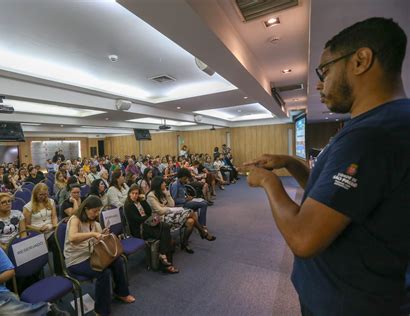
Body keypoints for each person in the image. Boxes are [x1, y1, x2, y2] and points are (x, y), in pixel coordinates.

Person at [244, 17, 409, 316]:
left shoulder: (370, 136)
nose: (320, 83)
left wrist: (269, 182)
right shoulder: (384, 124)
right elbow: (330, 199)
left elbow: (303, 238)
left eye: (326, 70)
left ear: (360, 61)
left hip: (347, 302)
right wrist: (291, 163)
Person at [64, 196, 135, 315]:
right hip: (76, 260)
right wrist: (93, 234)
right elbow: (72, 237)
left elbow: (97, 242)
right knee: (103, 273)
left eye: (98, 211)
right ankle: (101, 311)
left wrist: (102, 235)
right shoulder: (75, 219)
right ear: (86, 209)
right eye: (94, 211)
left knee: (117, 261)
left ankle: (121, 292)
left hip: (92, 255)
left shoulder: (95, 223)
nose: (97, 213)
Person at [146, 176, 214, 254]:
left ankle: (185, 243)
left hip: (170, 214)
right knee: (191, 212)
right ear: (158, 184)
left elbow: (172, 204)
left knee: (191, 221)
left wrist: (167, 194)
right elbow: (160, 211)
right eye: (163, 183)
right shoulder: (151, 195)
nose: (165, 184)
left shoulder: (162, 192)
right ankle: (202, 232)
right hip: (160, 218)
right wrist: (171, 209)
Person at [124, 185, 178, 273]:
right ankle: (166, 262)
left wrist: (144, 200)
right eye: (132, 193)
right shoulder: (128, 206)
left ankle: (163, 256)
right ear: (129, 194)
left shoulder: (140, 202)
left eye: (136, 193)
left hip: (148, 225)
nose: (134, 195)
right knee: (165, 234)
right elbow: (138, 220)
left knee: (166, 227)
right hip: (140, 229)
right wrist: (150, 218)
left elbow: (149, 211)